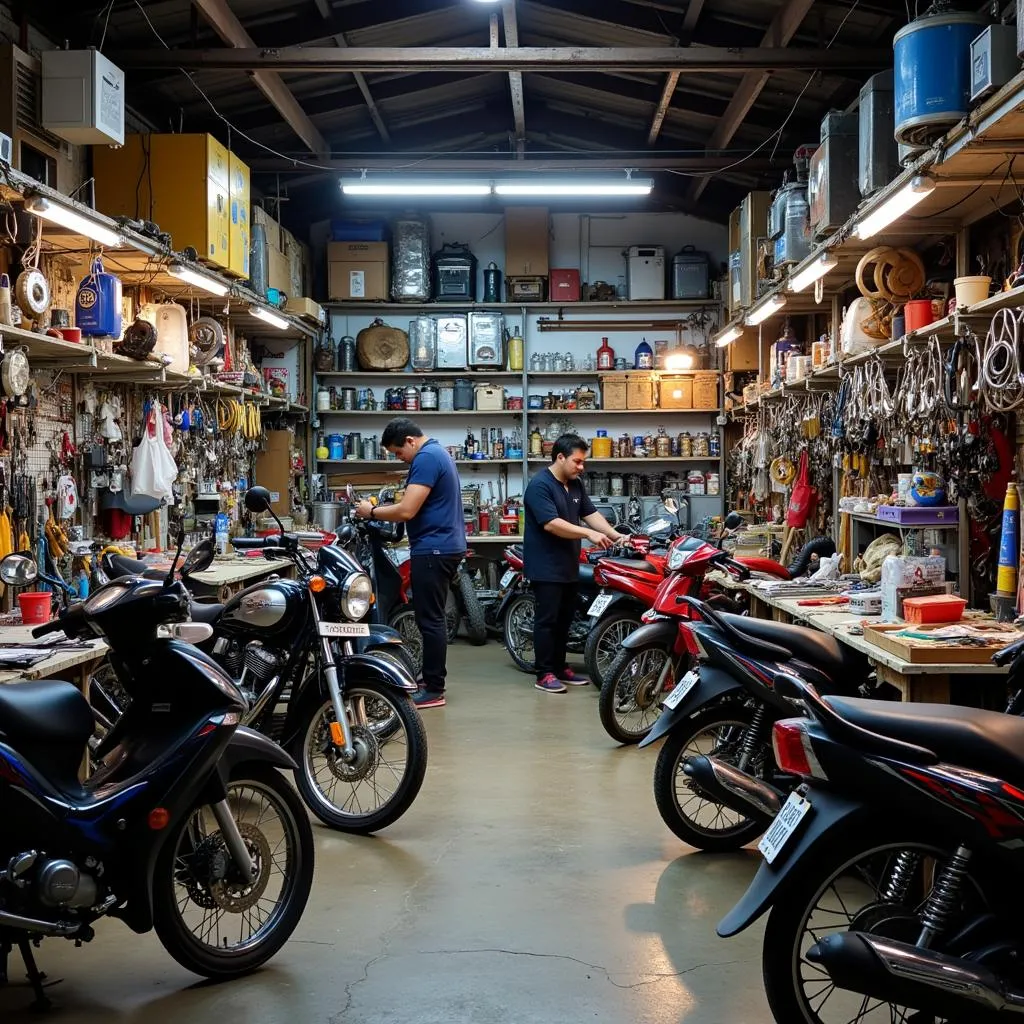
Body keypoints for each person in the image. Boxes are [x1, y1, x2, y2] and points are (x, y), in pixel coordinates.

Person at [354, 418, 464, 709]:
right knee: (431, 617)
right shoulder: (437, 454)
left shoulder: (427, 458)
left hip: (434, 549)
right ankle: (431, 680)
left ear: (410, 441)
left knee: (431, 620)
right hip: (441, 547)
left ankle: (434, 689)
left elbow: (406, 510)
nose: (398, 458)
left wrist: (371, 511)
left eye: (398, 452)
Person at [523, 433, 626, 694]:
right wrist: (587, 534)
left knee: (565, 619)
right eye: (577, 462)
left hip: (568, 565)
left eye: (583, 462)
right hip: (545, 566)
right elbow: (551, 524)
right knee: (547, 620)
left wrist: (618, 536)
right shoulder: (540, 486)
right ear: (560, 457)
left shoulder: (576, 484)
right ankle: (544, 672)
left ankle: (559, 667)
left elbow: (591, 515)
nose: (581, 467)